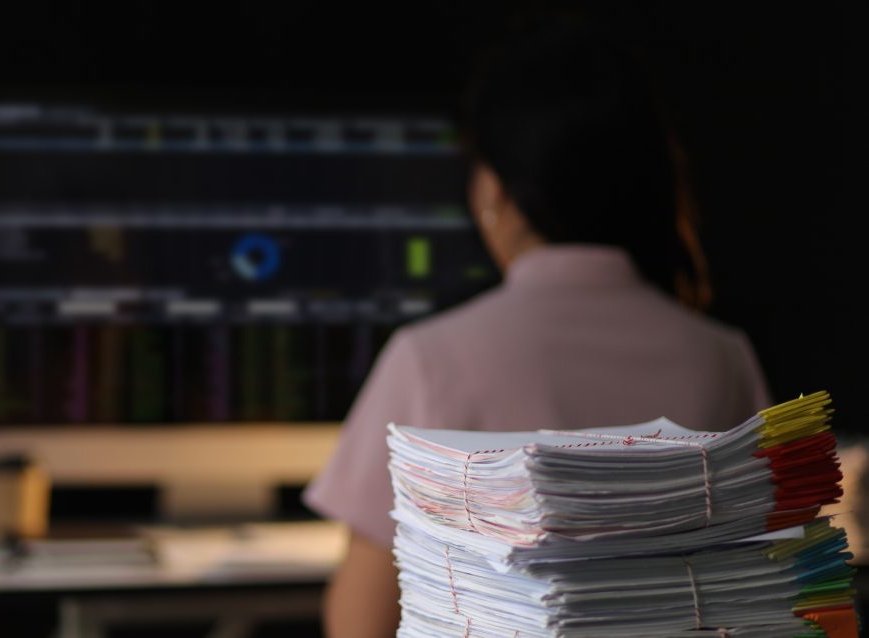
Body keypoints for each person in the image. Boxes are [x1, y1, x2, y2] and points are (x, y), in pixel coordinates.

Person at [303, 23, 772, 638]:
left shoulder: (431, 358)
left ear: (494, 191)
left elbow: (362, 615)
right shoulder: (722, 358)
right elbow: (761, 588)